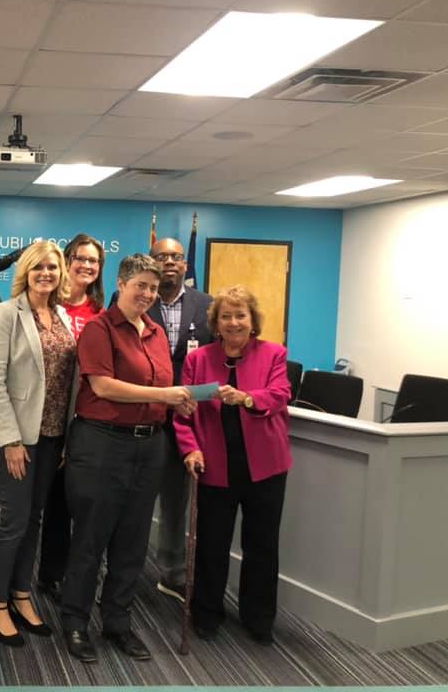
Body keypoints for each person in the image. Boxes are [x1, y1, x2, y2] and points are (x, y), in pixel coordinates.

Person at [60, 254, 195, 663]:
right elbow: (103, 386)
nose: (148, 294)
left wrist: (177, 402)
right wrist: (164, 395)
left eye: (153, 288)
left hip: (149, 446)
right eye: (141, 286)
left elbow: (160, 388)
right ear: (121, 283)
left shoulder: (155, 332)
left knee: (133, 542)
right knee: (91, 538)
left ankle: (118, 622)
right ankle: (75, 621)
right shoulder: (99, 329)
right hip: (102, 444)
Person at [173, 285, 292, 645]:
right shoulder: (198, 360)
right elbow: (183, 414)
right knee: (211, 544)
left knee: (262, 546)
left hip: (265, 467)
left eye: (241, 315)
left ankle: (259, 618)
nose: (234, 322)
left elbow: (280, 395)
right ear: (216, 323)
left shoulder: (274, 354)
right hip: (214, 466)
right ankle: (207, 613)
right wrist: (190, 450)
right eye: (226, 316)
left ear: (252, 320)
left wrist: (246, 398)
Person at [0, 241, 75, 647]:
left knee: (34, 518)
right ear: (26, 272)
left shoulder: (63, 315)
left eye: (52, 267)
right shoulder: (7, 313)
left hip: (51, 435)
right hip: (14, 436)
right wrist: (11, 440)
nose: (46, 273)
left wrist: (67, 436)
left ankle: (21, 594)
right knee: (14, 520)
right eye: (38, 267)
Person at [37, 233, 106, 601]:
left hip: (90, 419)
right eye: (80, 258)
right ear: (67, 261)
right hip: (50, 418)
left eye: (93, 260)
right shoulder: (49, 304)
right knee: (54, 503)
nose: (86, 265)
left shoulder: (101, 312)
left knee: (87, 503)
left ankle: (80, 574)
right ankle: (51, 573)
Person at [147, 237, 214, 603]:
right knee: (131, 500)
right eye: (162, 257)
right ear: (151, 262)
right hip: (145, 414)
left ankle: (172, 573)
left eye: (176, 257)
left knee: (176, 502)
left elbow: (217, 360)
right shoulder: (137, 298)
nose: (169, 262)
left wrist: (197, 398)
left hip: (187, 419)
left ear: (186, 265)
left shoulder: (207, 305)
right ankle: (117, 570)